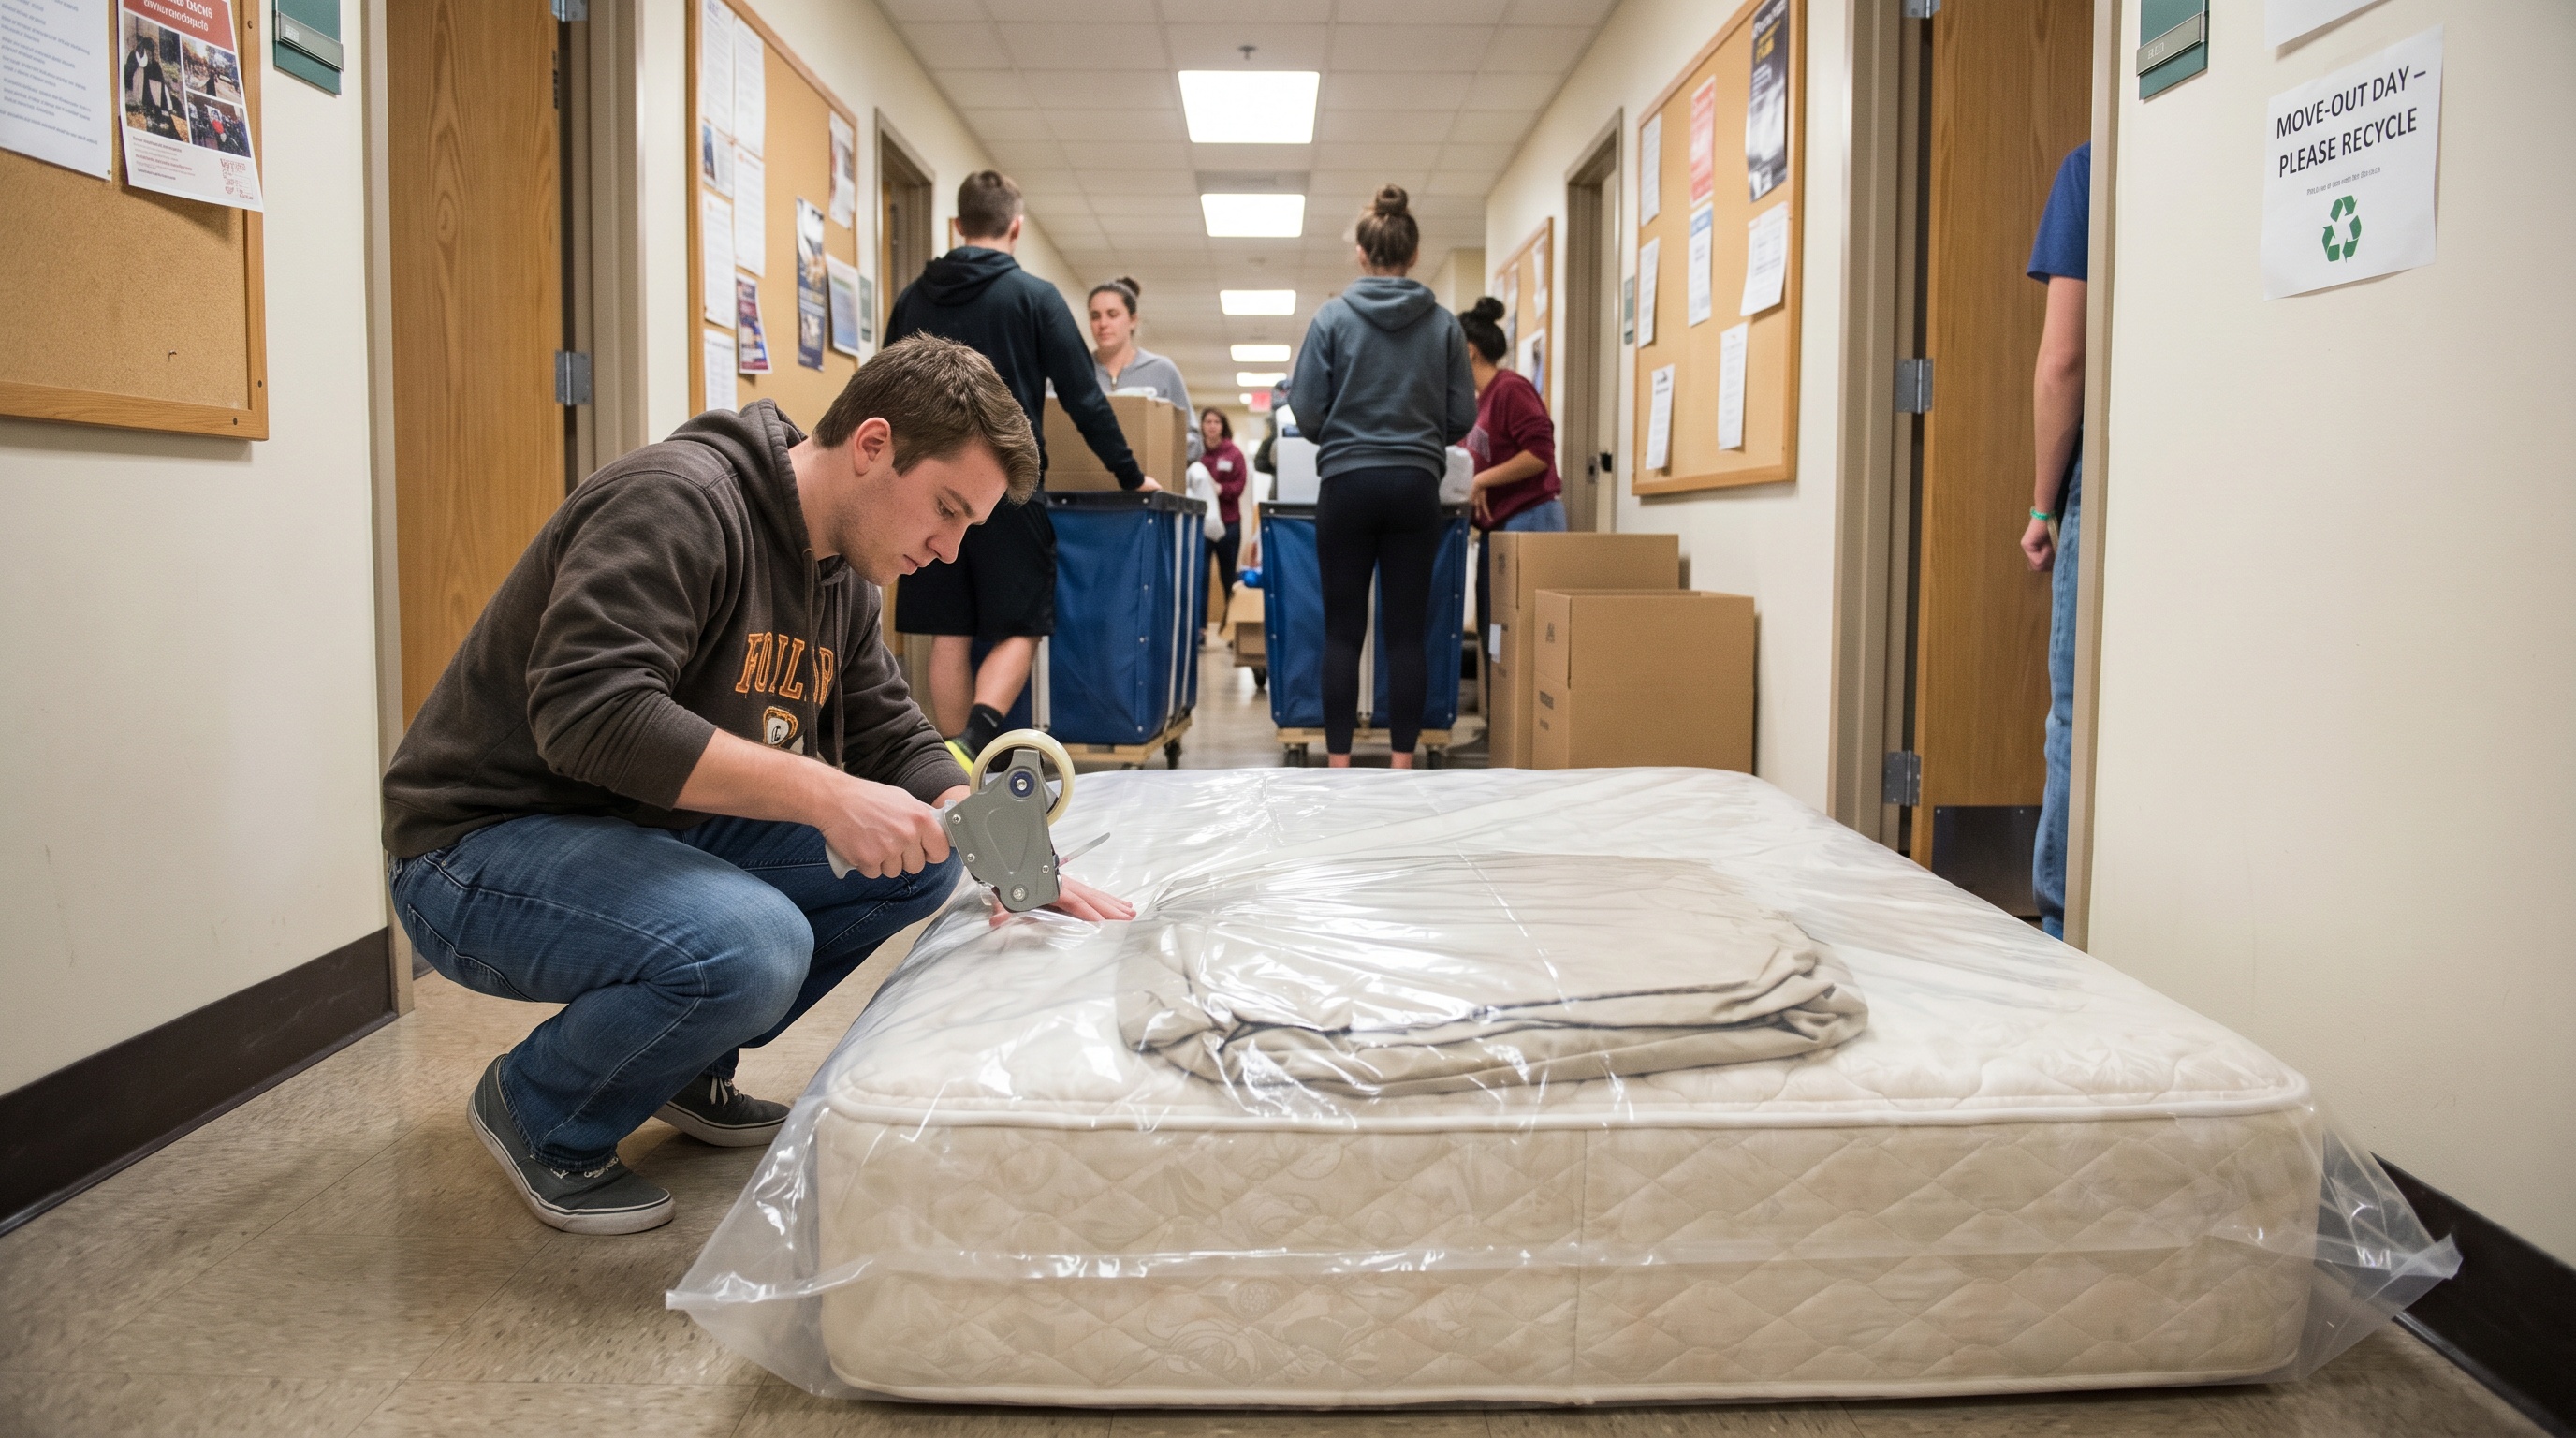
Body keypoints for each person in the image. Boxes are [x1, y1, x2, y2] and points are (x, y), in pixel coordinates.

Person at [380, 336, 1135, 1235]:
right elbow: (588, 712)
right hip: (478, 846)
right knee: (757, 945)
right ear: (872, 445)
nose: (948, 547)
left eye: (968, 525)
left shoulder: (842, 576)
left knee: (925, 858)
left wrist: (1013, 859)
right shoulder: (678, 502)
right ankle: (541, 1106)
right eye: (944, 508)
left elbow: (894, 733)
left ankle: (677, 1064)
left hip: (641, 828)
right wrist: (824, 793)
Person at [885, 171, 1152, 762]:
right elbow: (1084, 398)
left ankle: (956, 771)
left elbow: (883, 389)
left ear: (957, 225)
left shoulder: (912, 298)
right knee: (1021, 624)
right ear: (1016, 227)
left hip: (923, 489)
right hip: (1005, 487)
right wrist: (1132, 475)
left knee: (948, 632)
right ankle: (974, 741)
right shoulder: (1034, 297)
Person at [1288, 184, 1477, 769]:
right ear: (1414, 255)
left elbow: (1305, 408)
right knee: (1406, 634)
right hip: (1415, 485)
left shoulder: (1332, 318)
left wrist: (1346, 436)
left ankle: (1340, 767)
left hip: (1346, 483)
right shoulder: (1444, 325)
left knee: (1343, 632)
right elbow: (1463, 415)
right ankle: (1400, 768)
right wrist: (1418, 434)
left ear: (1363, 255)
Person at [2023, 141, 2089, 940]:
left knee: (2076, 711)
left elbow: (2063, 360)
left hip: (2115, 464)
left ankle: (2062, 936)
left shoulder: (2089, 167)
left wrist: (2044, 508)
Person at [1456, 295, 1566, 651]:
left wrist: (1483, 479)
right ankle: (1498, 709)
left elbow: (1540, 455)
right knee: (1498, 638)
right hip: (1498, 528)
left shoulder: (1510, 389)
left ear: (1470, 351)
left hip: (1531, 519)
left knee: (1524, 636)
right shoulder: (1477, 402)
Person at [1088, 277, 1201, 463]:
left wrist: (1155, 447)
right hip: (1085, 486)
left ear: (1133, 320)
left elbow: (1194, 443)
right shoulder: (1073, 371)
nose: (1103, 324)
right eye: (1095, 316)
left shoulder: (1162, 370)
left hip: (1147, 486)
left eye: (1112, 314)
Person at [1199, 407, 1249, 604]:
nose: (1212, 426)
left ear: (1223, 426)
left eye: (1216, 422)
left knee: (1228, 575)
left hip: (1228, 524)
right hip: (1202, 524)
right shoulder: (1196, 453)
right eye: (1208, 422)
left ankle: (1231, 627)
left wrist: (1220, 489)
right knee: (1199, 576)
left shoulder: (1233, 454)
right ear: (1201, 426)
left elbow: (1239, 485)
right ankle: (1199, 629)